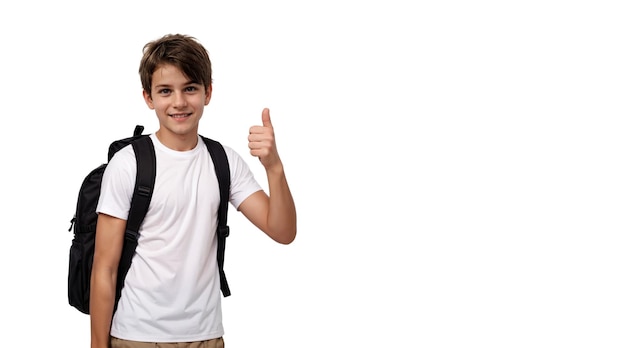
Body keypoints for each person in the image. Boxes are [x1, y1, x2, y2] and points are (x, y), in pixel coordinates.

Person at [89, 33, 297, 348]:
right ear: (148, 98)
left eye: (190, 88)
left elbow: (283, 231)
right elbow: (104, 267)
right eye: (165, 91)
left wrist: (274, 167)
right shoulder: (128, 164)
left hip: (206, 337)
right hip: (137, 336)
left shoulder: (223, 161)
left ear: (207, 92)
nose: (179, 102)